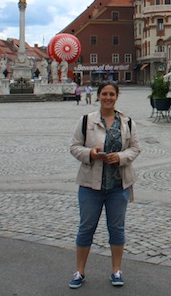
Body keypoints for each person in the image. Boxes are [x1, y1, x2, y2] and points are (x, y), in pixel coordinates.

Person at [69, 81, 141, 289]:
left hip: (119, 185)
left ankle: (116, 270)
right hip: (90, 185)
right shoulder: (86, 121)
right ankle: (80, 271)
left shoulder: (127, 123)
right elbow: (74, 147)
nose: (108, 98)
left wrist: (120, 157)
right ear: (98, 96)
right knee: (86, 228)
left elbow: (135, 148)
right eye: (104, 94)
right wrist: (90, 154)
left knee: (117, 229)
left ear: (117, 97)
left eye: (112, 94)